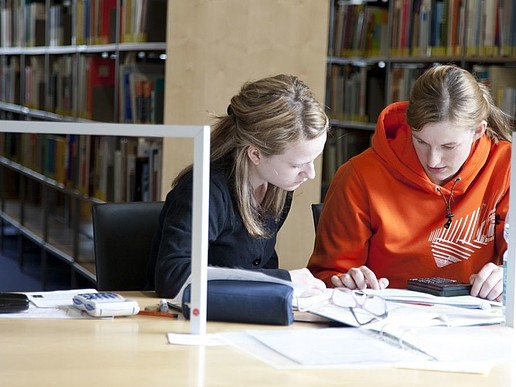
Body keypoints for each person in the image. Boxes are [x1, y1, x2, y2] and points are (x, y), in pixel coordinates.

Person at [307, 64, 513, 302]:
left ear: (478, 131)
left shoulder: (508, 166)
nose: (433, 160)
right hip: (384, 323)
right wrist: (345, 282)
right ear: (408, 126)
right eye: (421, 141)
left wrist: (507, 277)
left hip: (477, 327)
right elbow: (323, 277)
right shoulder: (358, 176)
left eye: (448, 146)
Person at [147, 74, 329, 299]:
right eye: (297, 165)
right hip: (187, 320)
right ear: (255, 154)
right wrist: (281, 281)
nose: (310, 174)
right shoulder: (205, 190)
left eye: (313, 160)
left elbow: (263, 263)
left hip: (237, 315)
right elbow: (172, 277)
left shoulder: (277, 189)